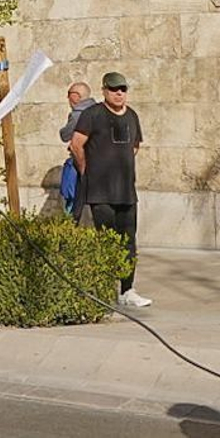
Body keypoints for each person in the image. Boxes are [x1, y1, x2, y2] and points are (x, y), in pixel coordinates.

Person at [69, 71, 150, 307]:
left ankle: (127, 290)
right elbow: (76, 144)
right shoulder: (92, 115)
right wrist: (87, 170)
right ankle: (104, 288)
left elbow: (134, 146)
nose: (119, 93)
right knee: (106, 239)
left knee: (129, 240)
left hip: (126, 191)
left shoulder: (132, 116)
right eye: (114, 89)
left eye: (122, 89)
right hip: (100, 191)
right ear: (104, 90)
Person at [58, 81, 96, 217]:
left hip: (81, 162)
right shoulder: (99, 111)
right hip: (100, 165)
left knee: (73, 200)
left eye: (68, 95)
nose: (67, 99)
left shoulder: (78, 114)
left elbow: (65, 135)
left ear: (75, 96)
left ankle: (71, 228)